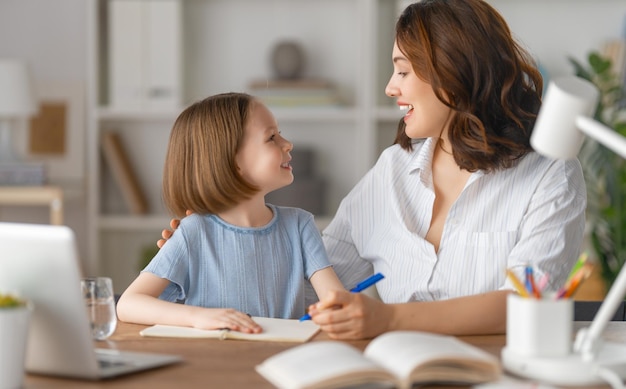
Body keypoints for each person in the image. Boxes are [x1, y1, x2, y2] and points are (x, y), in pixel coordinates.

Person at [158, 0, 586, 340]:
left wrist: (389, 319)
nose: (390, 87)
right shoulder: (391, 172)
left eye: (402, 70)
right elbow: (312, 287)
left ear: (453, 73)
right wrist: (213, 251)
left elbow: (531, 303)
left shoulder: (548, 176)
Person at [117, 92, 344, 334]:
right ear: (232, 160)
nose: (288, 143)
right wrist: (198, 317)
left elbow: (337, 301)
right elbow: (129, 304)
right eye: (271, 137)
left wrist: (337, 310)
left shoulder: (300, 225)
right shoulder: (193, 231)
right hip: (217, 362)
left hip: (283, 359)